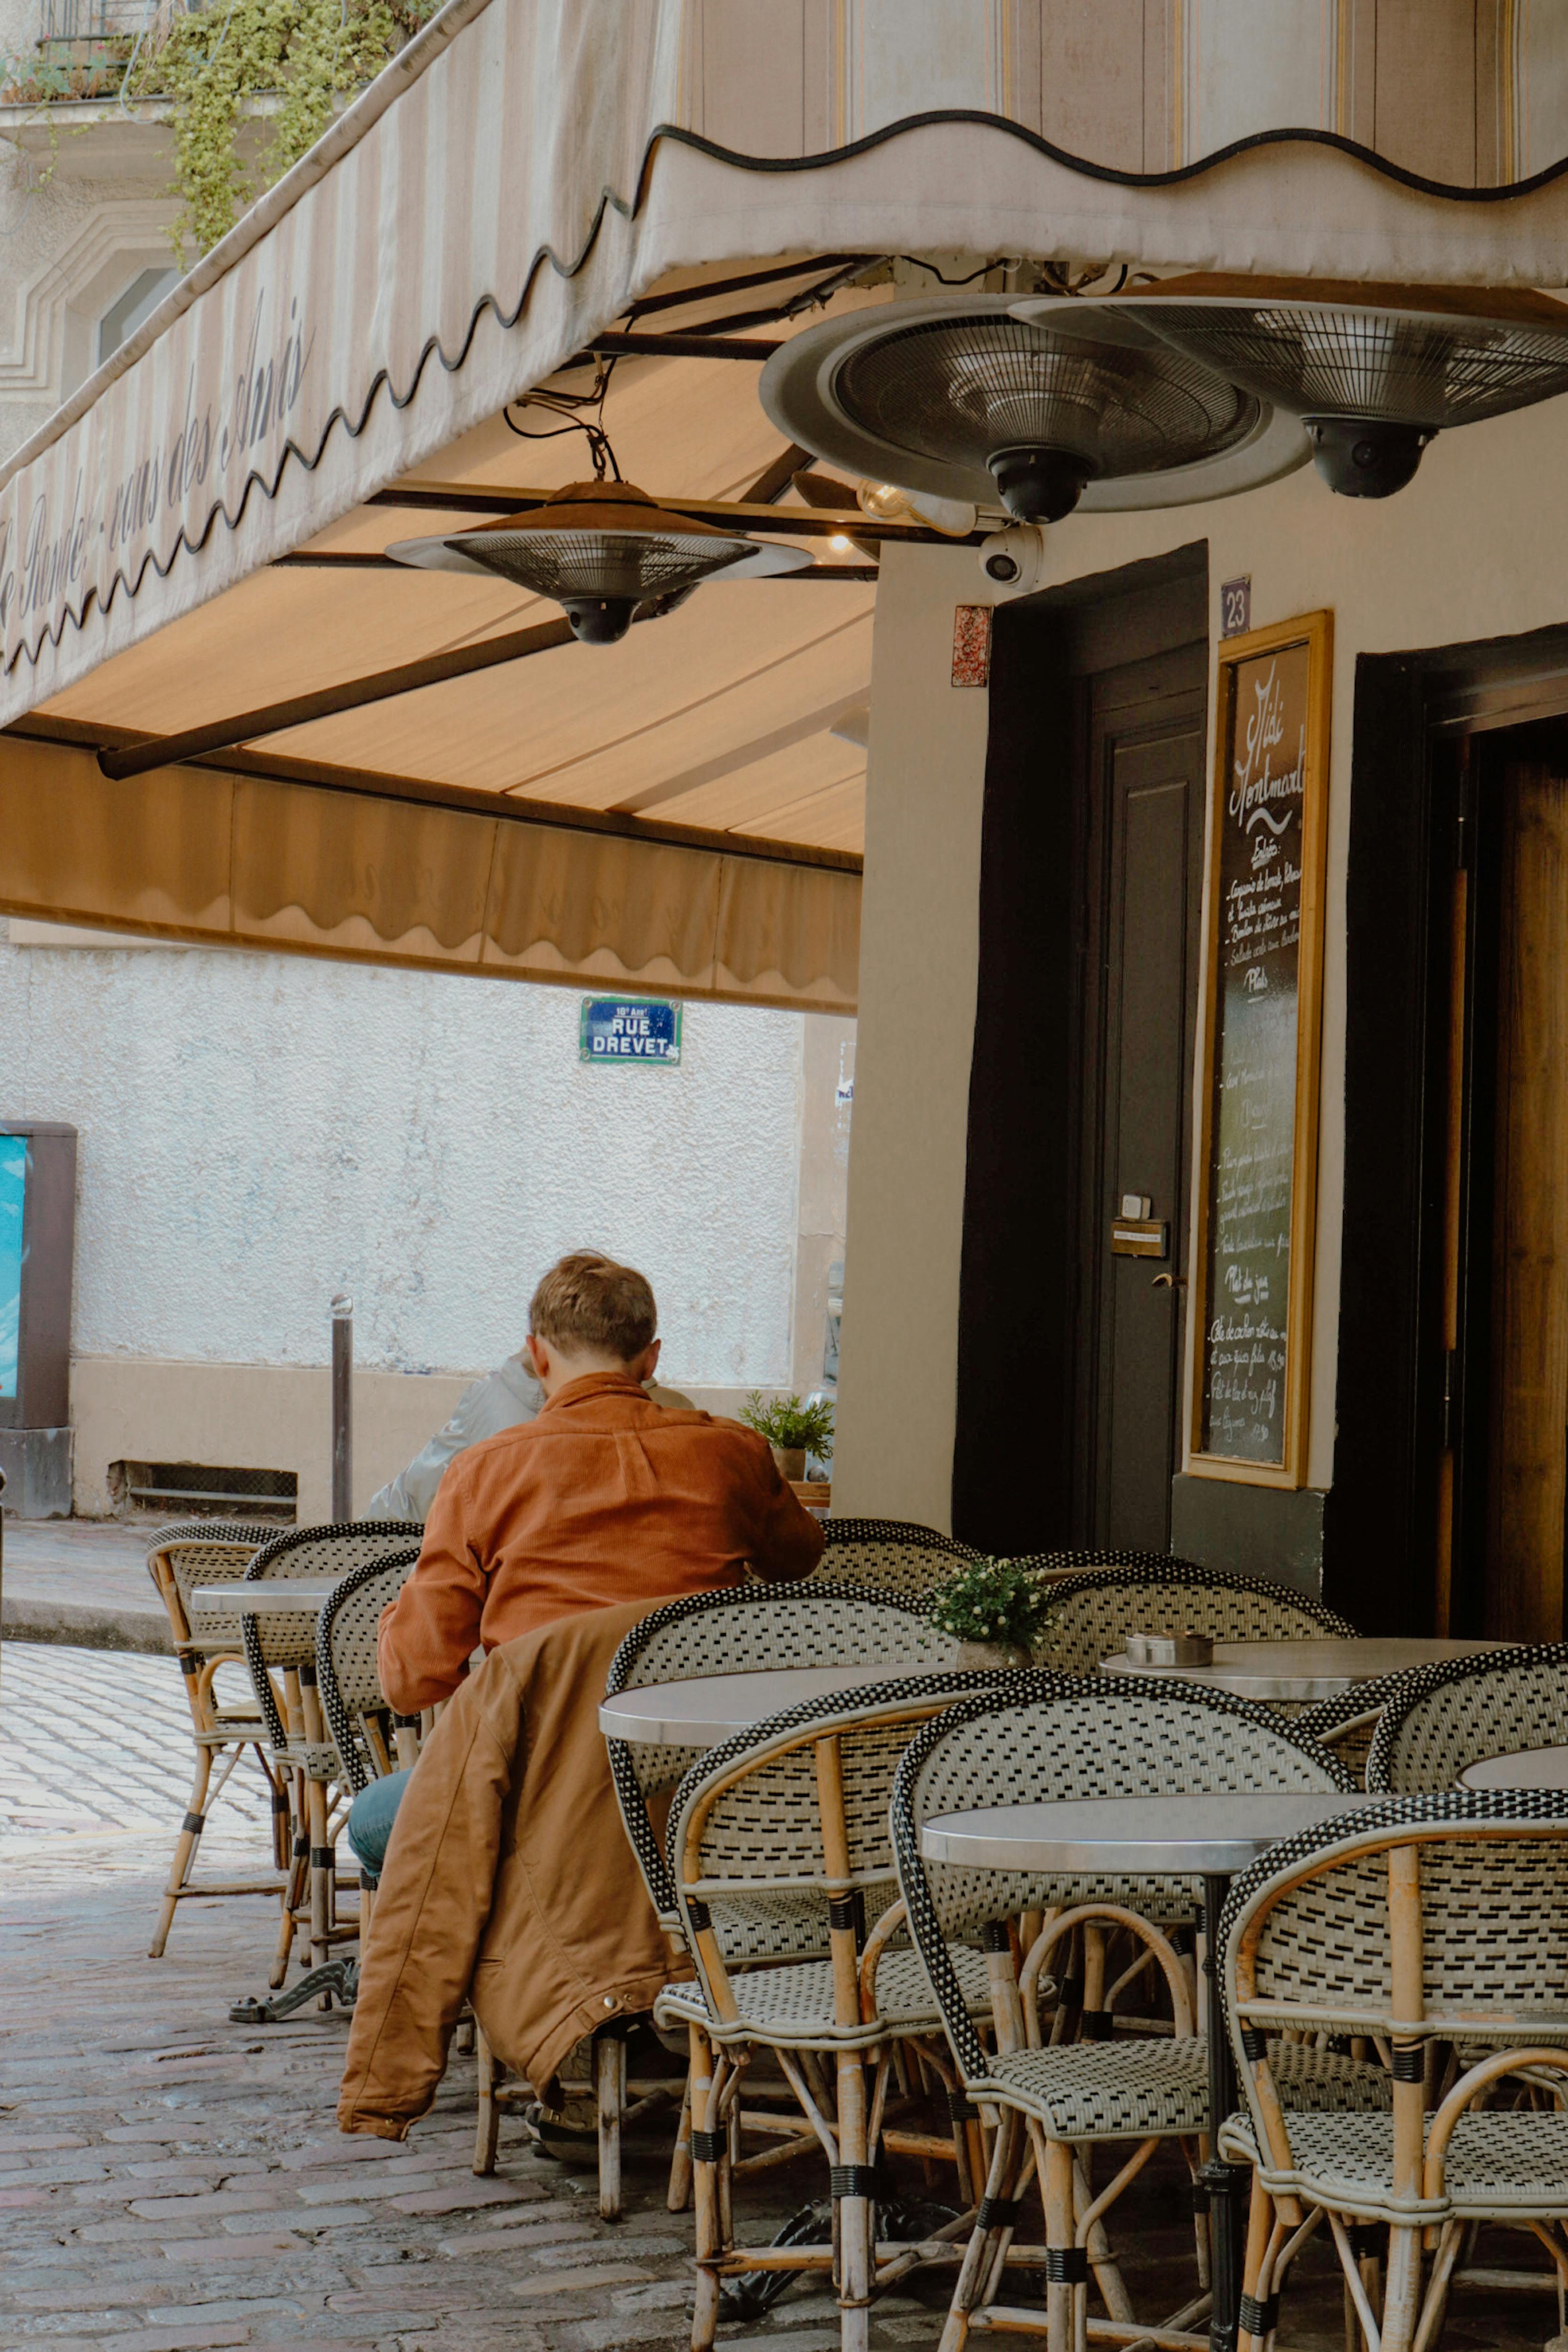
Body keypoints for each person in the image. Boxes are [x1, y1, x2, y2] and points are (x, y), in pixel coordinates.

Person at [347, 1250, 823, 1879]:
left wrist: (398, 1611)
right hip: (699, 1790)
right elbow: (799, 1560)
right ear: (651, 1360)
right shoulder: (732, 1453)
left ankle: (480, 1968)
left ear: (537, 1357)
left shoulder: (484, 1473)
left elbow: (410, 1682)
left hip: (536, 1791)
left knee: (372, 1821)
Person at [366, 1349, 693, 1524]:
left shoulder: (494, 1412)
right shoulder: (689, 1424)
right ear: (650, 1357)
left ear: (538, 1351)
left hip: (515, 1639)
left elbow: (404, 1507)